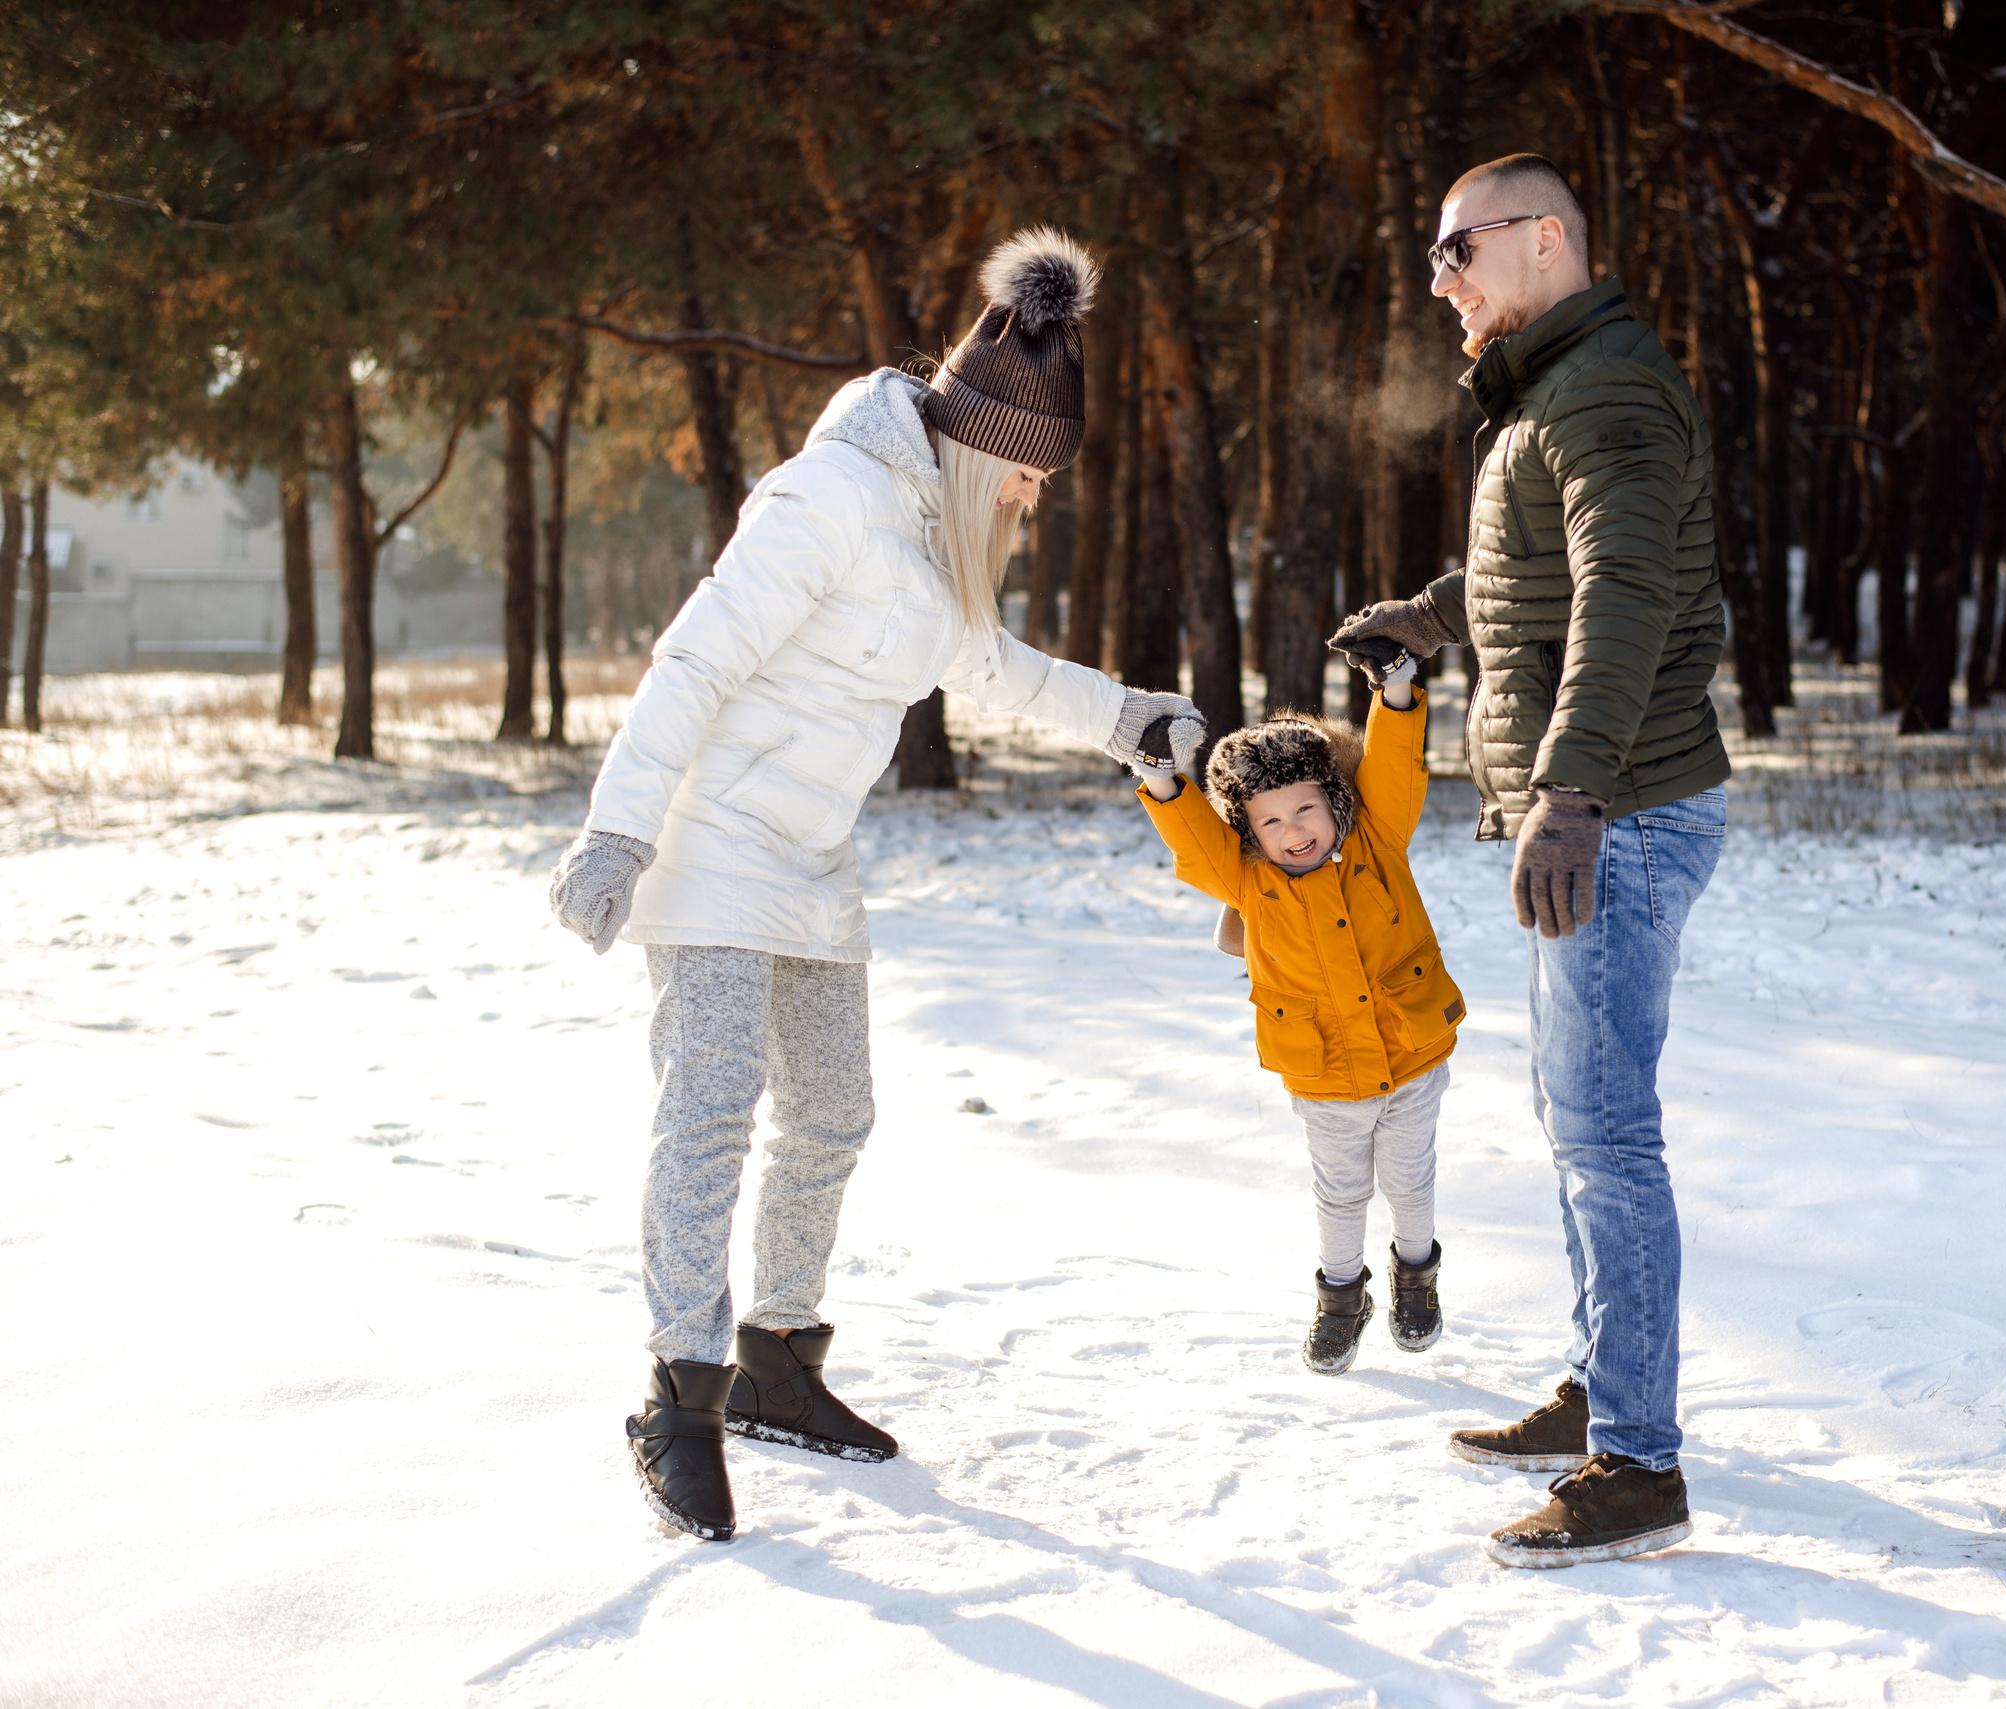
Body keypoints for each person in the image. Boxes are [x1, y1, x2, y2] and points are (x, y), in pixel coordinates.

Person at [546, 229, 1201, 1542]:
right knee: (714, 1104)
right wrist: (618, 832)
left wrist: (1135, 719)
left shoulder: (932, 538)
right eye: (1019, 478)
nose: (1025, 504)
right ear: (974, 445)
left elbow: (1002, 672)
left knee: (834, 1110)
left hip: (811, 855)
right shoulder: (829, 499)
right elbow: (692, 663)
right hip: (710, 842)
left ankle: (779, 1359)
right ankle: (679, 1394)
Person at [1330, 153, 1730, 1569]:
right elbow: (1546, 570)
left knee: (1609, 1134)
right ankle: (1598, 1394)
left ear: (1545, 240)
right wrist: (1435, 617)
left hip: (1614, 813)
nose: (1439, 277)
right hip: (1599, 812)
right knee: (1581, 1126)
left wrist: (1569, 792)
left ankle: (1636, 1464)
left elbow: (1630, 587)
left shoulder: (1603, 386)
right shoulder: (1557, 390)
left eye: (1459, 250)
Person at [1126, 644, 1464, 1376]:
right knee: (1341, 1193)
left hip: (1410, 1052)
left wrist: (1396, 691)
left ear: (1335, 802)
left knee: (1410, 1180)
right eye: (1271, 819)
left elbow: (1397, 768)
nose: (1295, 830)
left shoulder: (1379, 841)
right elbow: (1191, 840)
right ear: (1248, 830)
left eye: (1307, 807)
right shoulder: (1246, 879)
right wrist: (1160, 780)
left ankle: (1417, 1278)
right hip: (1324, 1070)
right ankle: (1342, 1298)